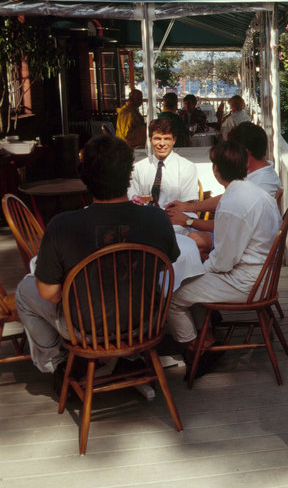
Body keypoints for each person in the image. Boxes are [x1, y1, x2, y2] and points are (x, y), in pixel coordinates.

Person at [14, 135, 180, 384]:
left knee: (25, 289)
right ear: (129, 174)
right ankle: (123, 358)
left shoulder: (62, 225)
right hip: (145, 323)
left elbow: (50, 294)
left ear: (84, 178)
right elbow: (167, 262)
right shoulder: (157, 219)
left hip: (87, 330)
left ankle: (58, 363)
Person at [166, 140, 282, 360]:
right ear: (244, 165)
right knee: (191, 275)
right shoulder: (256, 193)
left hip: (248, 283)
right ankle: (205, 333)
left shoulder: (233, 203)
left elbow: (223, 263)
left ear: (216, 169)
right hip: (262, 275)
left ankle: (195, 347)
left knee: (173, 294)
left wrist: (201, 264)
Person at [165, 121, 283, 237]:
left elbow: (226, 227)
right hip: (242, 236)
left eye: (232, 151)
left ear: (245, 152)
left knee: (192, 240)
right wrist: (189, 208)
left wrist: (188, 220)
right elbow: (227, 199)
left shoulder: (259, 184)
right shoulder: (261, 174)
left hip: (242, 243)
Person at [128, 118, 199, 212]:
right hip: (145, 217)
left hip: (176, 217)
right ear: (150, 140)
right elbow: (132, 200)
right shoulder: (137, 168)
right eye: (157, 138)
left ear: (174, 140)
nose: (162, 143)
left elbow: (188, 202)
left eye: (167, 139)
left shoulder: (187, 167)